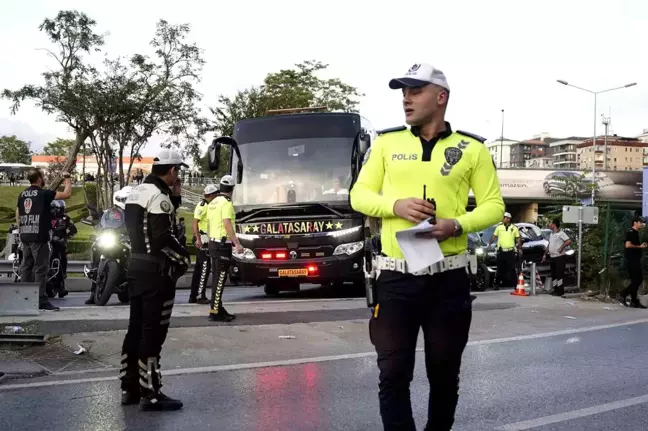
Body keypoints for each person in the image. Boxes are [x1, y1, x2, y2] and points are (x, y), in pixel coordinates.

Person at [349, 63, 504, 430]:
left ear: (441, 97)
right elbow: (359, 195)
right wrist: (395, 205)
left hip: (447, 281)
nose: (406, 98)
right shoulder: (386, 143)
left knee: (444, 376)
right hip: (395, 278)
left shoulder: (472, 149)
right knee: (393, 375)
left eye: (415, 91)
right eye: (403, 92)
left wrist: (457, 225)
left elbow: (494, 205)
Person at [119, 149, 190, 411]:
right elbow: (161, 238)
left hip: (136, 268)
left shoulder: (137, 192)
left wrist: (177, 194)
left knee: (135, 329)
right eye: (178, 172)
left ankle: (130, 387)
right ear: (171, 170)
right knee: (153, 332)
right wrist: (184, 258)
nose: (178, 177)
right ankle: (151, 392)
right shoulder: (159, 198)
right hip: (155, 273)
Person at [15, 168, 72, 311]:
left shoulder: (22, 194)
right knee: (40, 269)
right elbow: (67, 194)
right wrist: (67, 179)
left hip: (25, 236)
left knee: (26, 268)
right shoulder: (44, 194)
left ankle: (24, 298)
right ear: (39, 179)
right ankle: (40, 300)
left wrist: (22, 230)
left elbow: (18, 214)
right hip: (39, 237)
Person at [206, 175, 244, 322]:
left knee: (217, 277)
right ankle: (215, 311)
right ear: (232, 189)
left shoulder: (213, 202)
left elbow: (209, 225)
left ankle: (217, 308)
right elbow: (227, 224)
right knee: (220, 279)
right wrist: (237, 243)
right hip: (222, 245)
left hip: (213, 244)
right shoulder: (226, 203)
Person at [189, 184, 219, 304]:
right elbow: (195, 223)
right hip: (203, 239)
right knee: (204, 268)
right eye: (215, 194)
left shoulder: (208, 205)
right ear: (211, 195)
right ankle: (200, 295)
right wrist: (198, 239)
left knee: (198, 269)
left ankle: (193, 295)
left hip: (204, 238)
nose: (217, 196)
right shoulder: (203, 206)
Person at [49, 200, 77, 298]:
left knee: (61, 260)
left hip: (59, 243)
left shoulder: (66, 218)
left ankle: (61, 287)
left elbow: (74, 230)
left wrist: (65, 238)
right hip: (47, 242)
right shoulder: (46, 217)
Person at [618, 216, 647, 308]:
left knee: (637, 280)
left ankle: (634, 301)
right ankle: (623, 294)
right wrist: (640, 247)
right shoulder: (631, 232)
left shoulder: (636, 233)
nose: (642, 224)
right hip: (632, 260)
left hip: (635, 259)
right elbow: (628, 245)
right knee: (637, 280)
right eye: (640, 222)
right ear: (635, 223)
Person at [488, 212, 521, 289]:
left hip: (510, 251)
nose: (504, 219)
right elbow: (494, 236)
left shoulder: (514, 228)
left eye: (505, 218)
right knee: (500, 268)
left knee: (512, 268)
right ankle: (496, 284)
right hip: (501, 251)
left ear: (509, 219)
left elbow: (518, 238)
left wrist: (519, 248)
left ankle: (515, 285)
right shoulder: (499, 227)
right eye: (503, 218)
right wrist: (489, 244)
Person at [542, 218, 572, 297]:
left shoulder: (561, 233)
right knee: (554, 275)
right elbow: (549, 244)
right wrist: (545, 254)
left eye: (551, 224)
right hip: (552, 257)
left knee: (559, 275)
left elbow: (568, 241)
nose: (550, 225)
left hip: (559, 257)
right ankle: (555, 289)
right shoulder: (551, 234)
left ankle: (560, 291)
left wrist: (562, 247)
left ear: (554, 225)